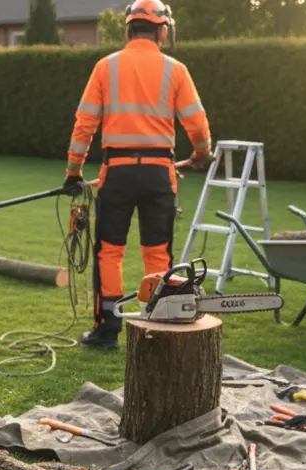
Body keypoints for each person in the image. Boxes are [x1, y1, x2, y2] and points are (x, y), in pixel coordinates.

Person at [64, 0, 213, 349]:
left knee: (110, 252)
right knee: (157, 252)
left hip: (116, 172)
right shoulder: (176, 70)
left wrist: (73, 171)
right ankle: (158, 325)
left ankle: (107, 330)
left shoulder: (105, 67)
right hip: (160, 173)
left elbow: (84, 124)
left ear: (128, 29)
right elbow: (198, 125)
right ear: (162, 31)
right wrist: (202, 155)